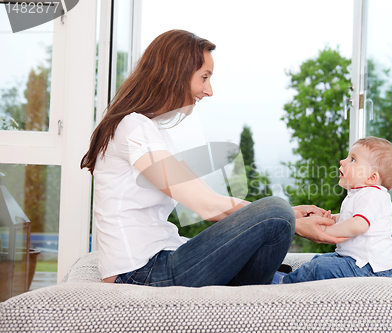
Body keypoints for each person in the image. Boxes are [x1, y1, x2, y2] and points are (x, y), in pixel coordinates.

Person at [80, 29, 340, 287]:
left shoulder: (150, 129)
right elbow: (206, 206)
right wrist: (289, 221)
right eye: (204, 77)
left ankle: (273, 280)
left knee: (278, 215)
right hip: (141, 272)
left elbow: (208, 198)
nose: (209, 90)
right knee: (277, 210)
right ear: (175, 74)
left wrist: (291, 215)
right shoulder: (133, 127)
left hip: (164, 258)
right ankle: (274, 281)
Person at [278, 137, 392, 283]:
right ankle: (293, 277)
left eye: (353, 159)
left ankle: (283, 283)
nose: (342, 161)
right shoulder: (361, 194)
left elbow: (359, 225)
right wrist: (331, 219)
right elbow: (351, 218)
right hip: (357, 262)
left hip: (368, 269)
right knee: (319, 260)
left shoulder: (373, 195)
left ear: (372, 177)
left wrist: (325, 231)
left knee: (319, 267)